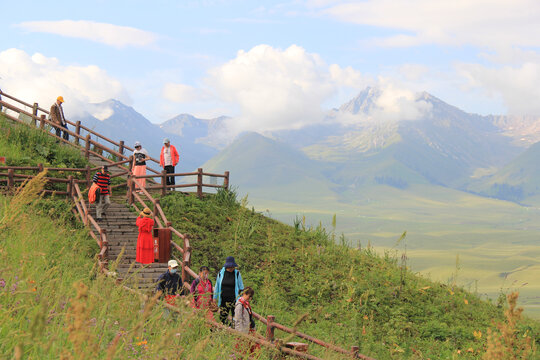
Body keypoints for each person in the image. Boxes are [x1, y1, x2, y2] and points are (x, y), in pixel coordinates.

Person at [214, 256, 244, 326]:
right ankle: (224, 331)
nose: (232, 268)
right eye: (230, 267)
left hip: (234, 299)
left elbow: (241, 287)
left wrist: (242, 300)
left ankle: (234, 331)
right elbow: (217, 286)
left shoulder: (237, 274)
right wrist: (214, 298)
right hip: (223, 299)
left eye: (233, 267)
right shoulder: (221, 273)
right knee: (223, 317)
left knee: (235, 317)